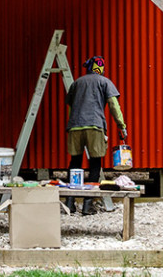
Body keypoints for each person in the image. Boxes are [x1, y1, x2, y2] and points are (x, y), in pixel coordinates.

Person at [64, 56, 128, 215]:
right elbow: (114, 106)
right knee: (95, 163)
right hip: (95, 126)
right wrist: (122, 126)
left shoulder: (76, 83)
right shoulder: (105, 82)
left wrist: (72, 124)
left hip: (75, 126)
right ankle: (87, 205)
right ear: (101, 68)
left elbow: (71, 106)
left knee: (75, 162)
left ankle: (70, 203)